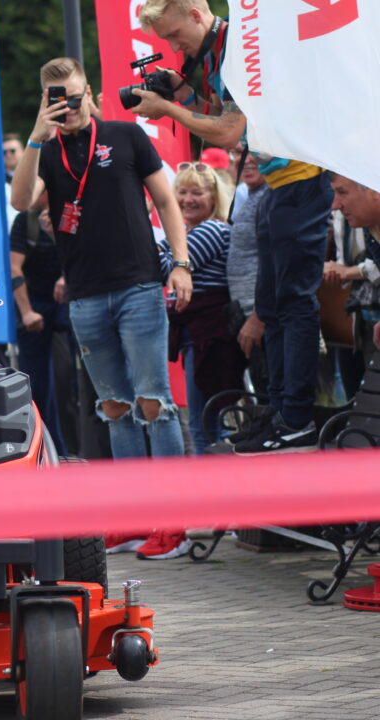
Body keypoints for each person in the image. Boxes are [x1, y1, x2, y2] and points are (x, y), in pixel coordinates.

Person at [11, 57, 192, 560]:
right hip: (86, 295)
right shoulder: (47, 150)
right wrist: (36, 136)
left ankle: (174, 522)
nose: (67, 107)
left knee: (154, 402)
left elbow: (166, 202)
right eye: (56, 99)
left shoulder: (126, 136)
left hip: (138, 286)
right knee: (115, 408)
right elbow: (21, 200)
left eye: (72, 96)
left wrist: (180, 263)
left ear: (89, 92)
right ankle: (133, 519)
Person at [137, 0, 334, 453]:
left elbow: (228, 132)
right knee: (272, 304)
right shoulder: (214, 51)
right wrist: (182, 95)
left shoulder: (240, 46)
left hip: (303, 177)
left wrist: (168, 107)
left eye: (173, 35)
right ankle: (280, 411)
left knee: (293, 303)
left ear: (195, 13)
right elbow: (217, 110)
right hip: (280, 183)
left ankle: (297, 418)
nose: (173, 46)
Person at [158, 162, 244, 453]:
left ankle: (208, 479)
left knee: (203, 424)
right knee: (206, 421)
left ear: (214, 197)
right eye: (182, 192)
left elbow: (163, 268)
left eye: (197, 192)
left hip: (208, 335)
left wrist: (161, 250)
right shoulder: (188, 231)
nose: (188, 199)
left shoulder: (211, 229)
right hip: (197, 335)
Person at [10, 198, 69, 454]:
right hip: (35, 302)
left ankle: (77, 448)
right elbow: (14, 268)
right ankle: (46, 448)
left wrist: (56, 234)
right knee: (36, 382)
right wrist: (26, 312)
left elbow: (83, 252)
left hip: (69, 298)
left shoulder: (70, 211)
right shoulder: (27, 220)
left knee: (74, 378)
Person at [226, 146, 269, 393]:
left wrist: (259, 315)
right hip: (248, 316)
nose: (247, 159)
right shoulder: (251, 196)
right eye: (238, 152)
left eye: (255, 151)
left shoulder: (270, 197)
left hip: (264, 319)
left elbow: (277, 262)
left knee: (274, 398)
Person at [329, 175, 380, 354]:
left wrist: (348, 272)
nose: (335, 205)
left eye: (342, 192)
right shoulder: (369, 226)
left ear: (374, 189)